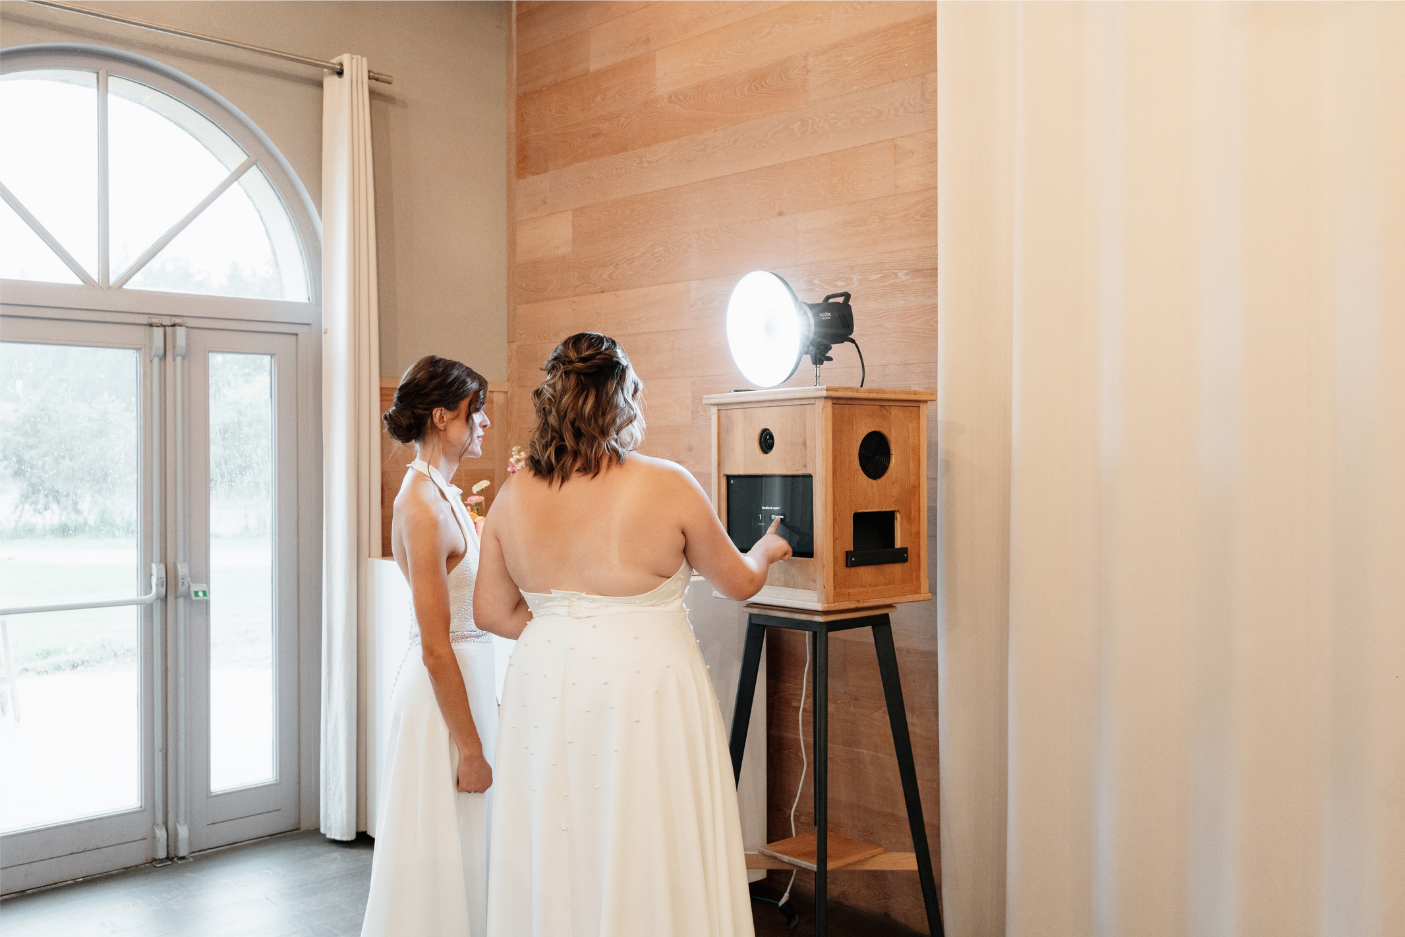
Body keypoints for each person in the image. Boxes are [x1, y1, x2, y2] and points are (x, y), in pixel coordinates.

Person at [474, 332, 792, 937]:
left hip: (546, 684)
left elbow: (489, 611)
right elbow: (738, 582)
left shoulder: (514, 496)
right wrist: (767, 548)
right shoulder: (667, 483)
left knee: (561, 831)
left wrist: (566, 631)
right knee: (647, 829)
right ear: (622, 398)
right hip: (645, 685)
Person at [361, 355, 523, 937]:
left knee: (470, 845)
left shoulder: (444, 494)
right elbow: (435, 647)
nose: (484, 422)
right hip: (440, 702)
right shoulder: (422, 506)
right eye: (475, 411)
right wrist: (472, 750)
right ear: (442, 417)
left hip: (466, 686)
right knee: (440, 852)